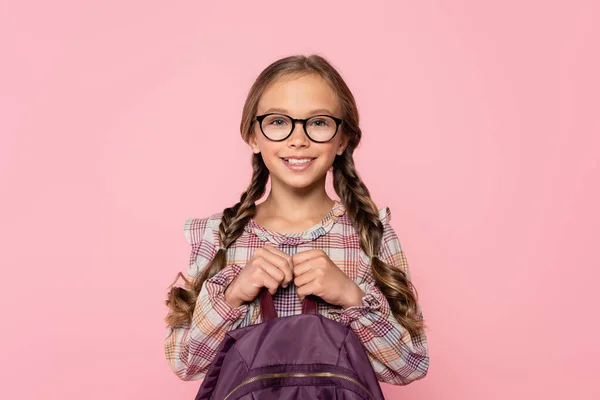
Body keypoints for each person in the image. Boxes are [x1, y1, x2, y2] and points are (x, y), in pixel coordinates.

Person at [164, 54, 430, 386]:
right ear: (252, 136)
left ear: (343, 138)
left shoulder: (370, 234)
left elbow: (410, 365)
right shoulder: (218, 236)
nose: (298, 139)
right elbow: (185, 363)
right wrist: (233, 295)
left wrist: (351, 296)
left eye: (318, 122)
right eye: (278, 121)